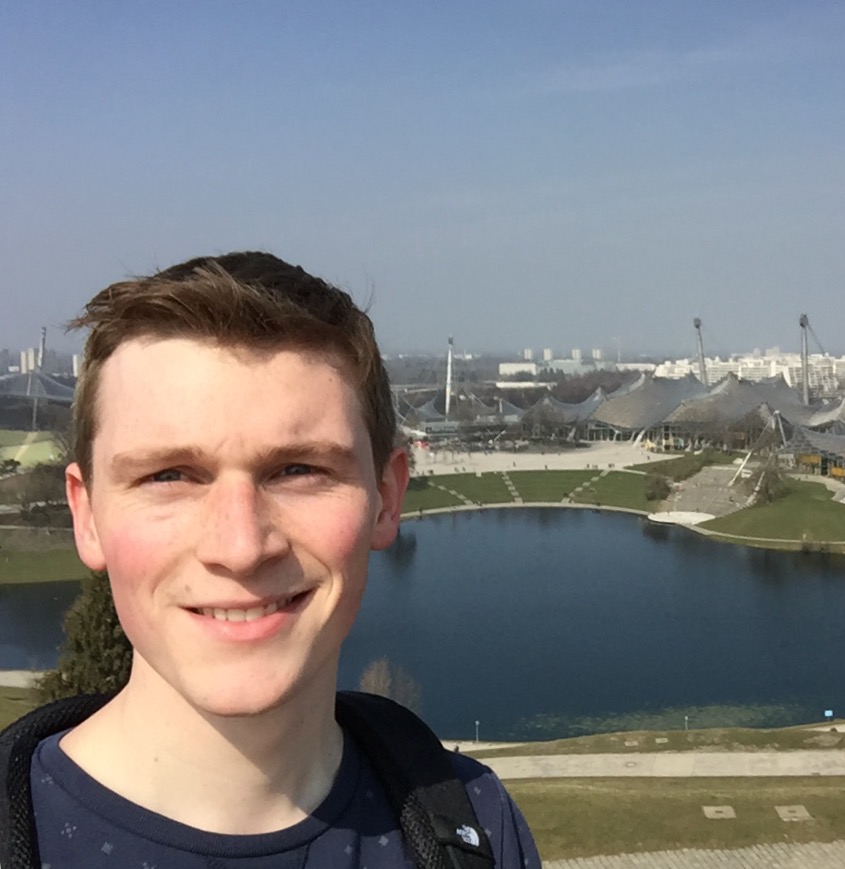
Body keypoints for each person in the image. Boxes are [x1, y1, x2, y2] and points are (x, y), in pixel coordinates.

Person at [0, 252, 540, 867]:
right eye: (169, 475)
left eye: (299, 469)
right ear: (88, 515)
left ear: (387, 498)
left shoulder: (479, 826)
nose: (241, 546)